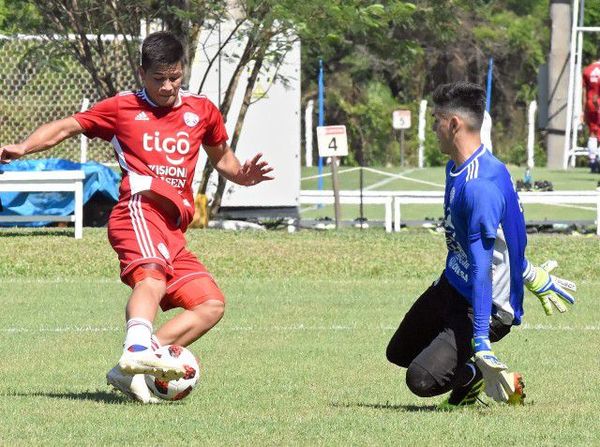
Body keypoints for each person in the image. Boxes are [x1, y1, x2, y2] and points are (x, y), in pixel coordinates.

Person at [0, 31, 274, 403]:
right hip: (139, 210)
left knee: (210, 304)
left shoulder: (202, 111)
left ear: (183, 71)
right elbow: (67, 126)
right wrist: (22, 147)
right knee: (151, 278)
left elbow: (222, 157)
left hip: (173, 230)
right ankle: (135, 350)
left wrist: (241, 174)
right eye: (158, 78)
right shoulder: (121, 107)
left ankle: (137, 361)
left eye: (174, 77)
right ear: (142, 73)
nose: (167, 86)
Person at [385, 81, 576, 409]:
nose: (433, 129)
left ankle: (473, 375)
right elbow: (501, 241)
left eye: (436, 120)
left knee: (420, 379)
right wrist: (531, 275)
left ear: (454, 124)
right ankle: (464, 367)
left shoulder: (480, 187)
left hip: (484, 307)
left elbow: (482, 265)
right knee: (399, 352)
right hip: (452, 285)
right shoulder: (462, 167)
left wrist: (482, 340)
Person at [582, 60, 600, 173]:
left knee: (592, 133)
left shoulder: (587, 70)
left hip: (590, 103)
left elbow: (584, 92)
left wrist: (583, 109)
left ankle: (592, 162)